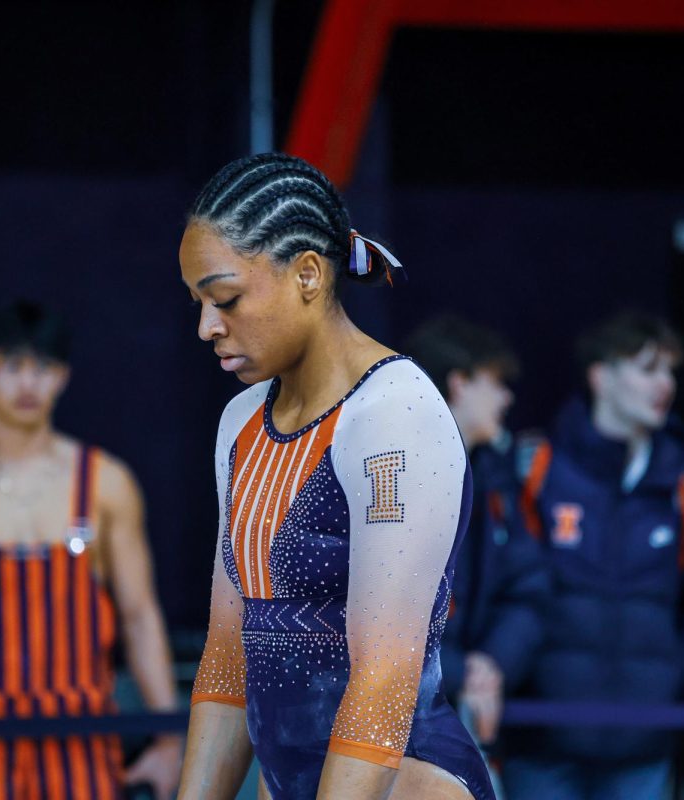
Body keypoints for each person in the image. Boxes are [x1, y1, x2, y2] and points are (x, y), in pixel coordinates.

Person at [176, 153, 494, 800]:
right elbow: (228, 653)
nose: (207, 326)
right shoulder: (240, 421)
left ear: (309, 275)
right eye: (200, 304)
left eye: (226, 298)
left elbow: (384, 677)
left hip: (406, 783)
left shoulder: (394, 413)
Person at [0, 301, 182, 800]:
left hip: (83, 747)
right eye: (12, 366)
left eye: (43, 368)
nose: (28, 384)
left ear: (63, 377)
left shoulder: (106, 483)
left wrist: (168, 739)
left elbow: (140, 616)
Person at [500, 312, 684, 800]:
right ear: (600, 376)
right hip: (541, 740)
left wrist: (679, 679)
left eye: (670, 371)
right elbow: (510, 591)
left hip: (644, 745)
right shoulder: (536, 471)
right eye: (648, 369)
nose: (665, 384)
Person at [404, 315, 550, 749]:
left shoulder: (494, 482)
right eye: (496, 382)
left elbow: (531, 586)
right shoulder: (388, 474)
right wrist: (458, 669)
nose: (506, 398)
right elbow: (363, 608)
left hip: (457, 718)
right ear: (460, 383)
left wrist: (491, 662)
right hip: (380, 724)